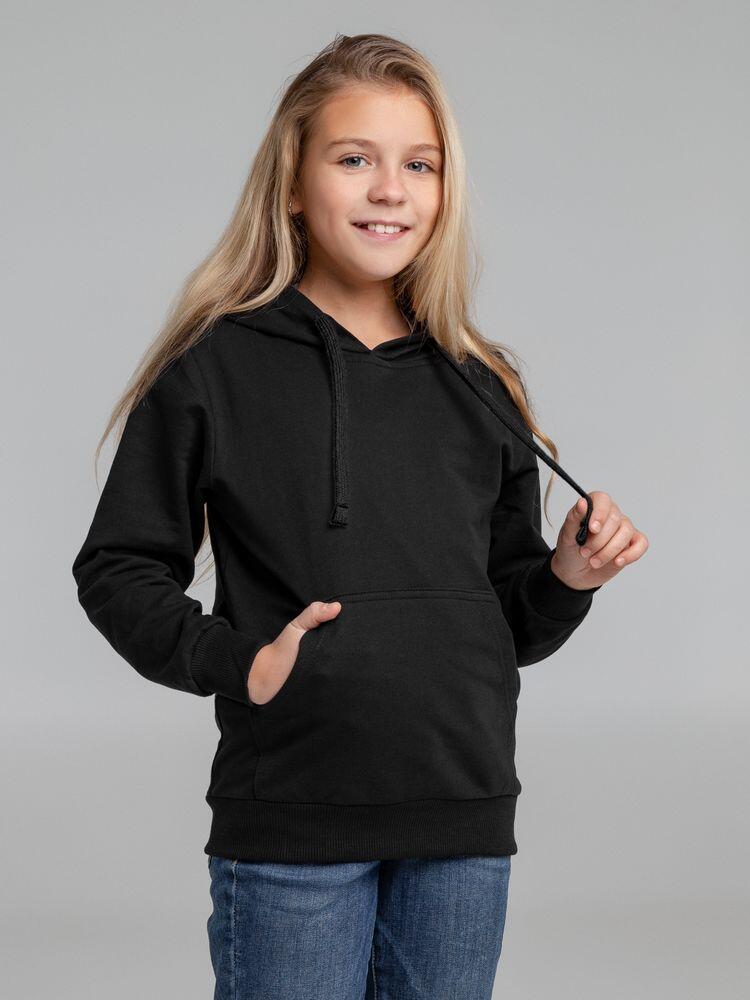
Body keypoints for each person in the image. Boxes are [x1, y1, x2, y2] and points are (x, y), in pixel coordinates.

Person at [71, 31, 648, 1000]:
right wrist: (236, 662)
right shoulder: (215, 368)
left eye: (420, 164)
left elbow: (504, 624)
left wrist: (565, 579)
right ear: (294, 184)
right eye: (354, 159)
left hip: (461, 820)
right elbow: (118, 568)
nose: (391, 190)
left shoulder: (482, 380)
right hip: (293, 821)